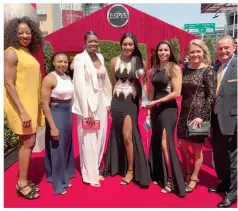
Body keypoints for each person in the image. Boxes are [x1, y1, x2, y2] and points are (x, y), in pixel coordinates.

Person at [101, 32, 151, 187]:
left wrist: (146, 104)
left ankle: (130, 170)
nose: (128, 47)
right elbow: (112, 81)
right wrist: (110, 102)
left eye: (131, 44)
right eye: (125, 44)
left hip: (131, 103)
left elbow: (143, 84)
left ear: (134, 45)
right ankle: (117, 165)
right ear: (121, 45)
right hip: (116, 102)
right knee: (117, 135)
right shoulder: (114, 61)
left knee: (127, 136)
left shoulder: (139, 61)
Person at [4, 16, 44, 199]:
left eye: (28, 32)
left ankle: (23, 179)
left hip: (30, 104)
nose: (25, 36)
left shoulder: (27, 53)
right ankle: (22, 184)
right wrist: (22, 111)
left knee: (26, 142)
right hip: (22, 106)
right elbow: (8, 83)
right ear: (14, 33)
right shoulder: (11, 52)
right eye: (20, 33)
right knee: (28, 142)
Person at [72, 31, 112, 187]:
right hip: (88, 104)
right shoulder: (80, 59)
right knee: (89, 138)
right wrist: (86, 110)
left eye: (95, 41)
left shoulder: (100, 57)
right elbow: (79, 86)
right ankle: (89, 175)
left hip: (101, 100)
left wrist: (108, 101)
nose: (93, 44)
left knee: (100, 135)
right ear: (84, 43)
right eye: (90, 41)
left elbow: (105, 80)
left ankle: (94, 168)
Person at [146, 40, 185, 197]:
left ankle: (171, 180)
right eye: (160, 50)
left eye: (166, 50)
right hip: (155, 109)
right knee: (156, 142)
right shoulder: (154, 69)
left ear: (170, 52)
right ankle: (159, 174)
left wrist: (157, 101)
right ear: (157, 53)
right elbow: (151, 90)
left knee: (165, 144)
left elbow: (176, 92)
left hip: (168, 109)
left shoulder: (174, 68)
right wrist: (149, 110)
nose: (163, 52)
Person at [177, 39, 216, 193]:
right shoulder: (184, 70)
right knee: (184, 146)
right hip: (184, 113)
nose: (195, 54)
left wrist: (202, 116)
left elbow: (211, 96)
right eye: (192, 52)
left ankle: (194, 177)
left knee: (197, 148)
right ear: (188, 53)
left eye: (198, 51)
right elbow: (179, 89)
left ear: (203, 52)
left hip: (199, 115)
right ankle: (187, 170)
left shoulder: (208, 71)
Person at [208, 35, 237, 208]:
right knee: (219, 156)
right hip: (216, 119)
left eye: (227, 48)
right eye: (220, 48)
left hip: (234, 120)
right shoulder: (216, 67)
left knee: (234, 159)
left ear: (234, 47)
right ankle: (225, 182)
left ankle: (233, 193)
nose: (223, 51)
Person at [41, 53, 75, 195]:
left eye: (65, 61)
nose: (62, 64)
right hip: (56, 114)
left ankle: (59, 174)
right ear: (53, 63)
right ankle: (59, 183)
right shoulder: (50, 78)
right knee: (57, 147)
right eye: (59, 61)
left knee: (65, 145)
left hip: (67, 114)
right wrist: (53, 126)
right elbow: (44, 104)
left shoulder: (67, 77)